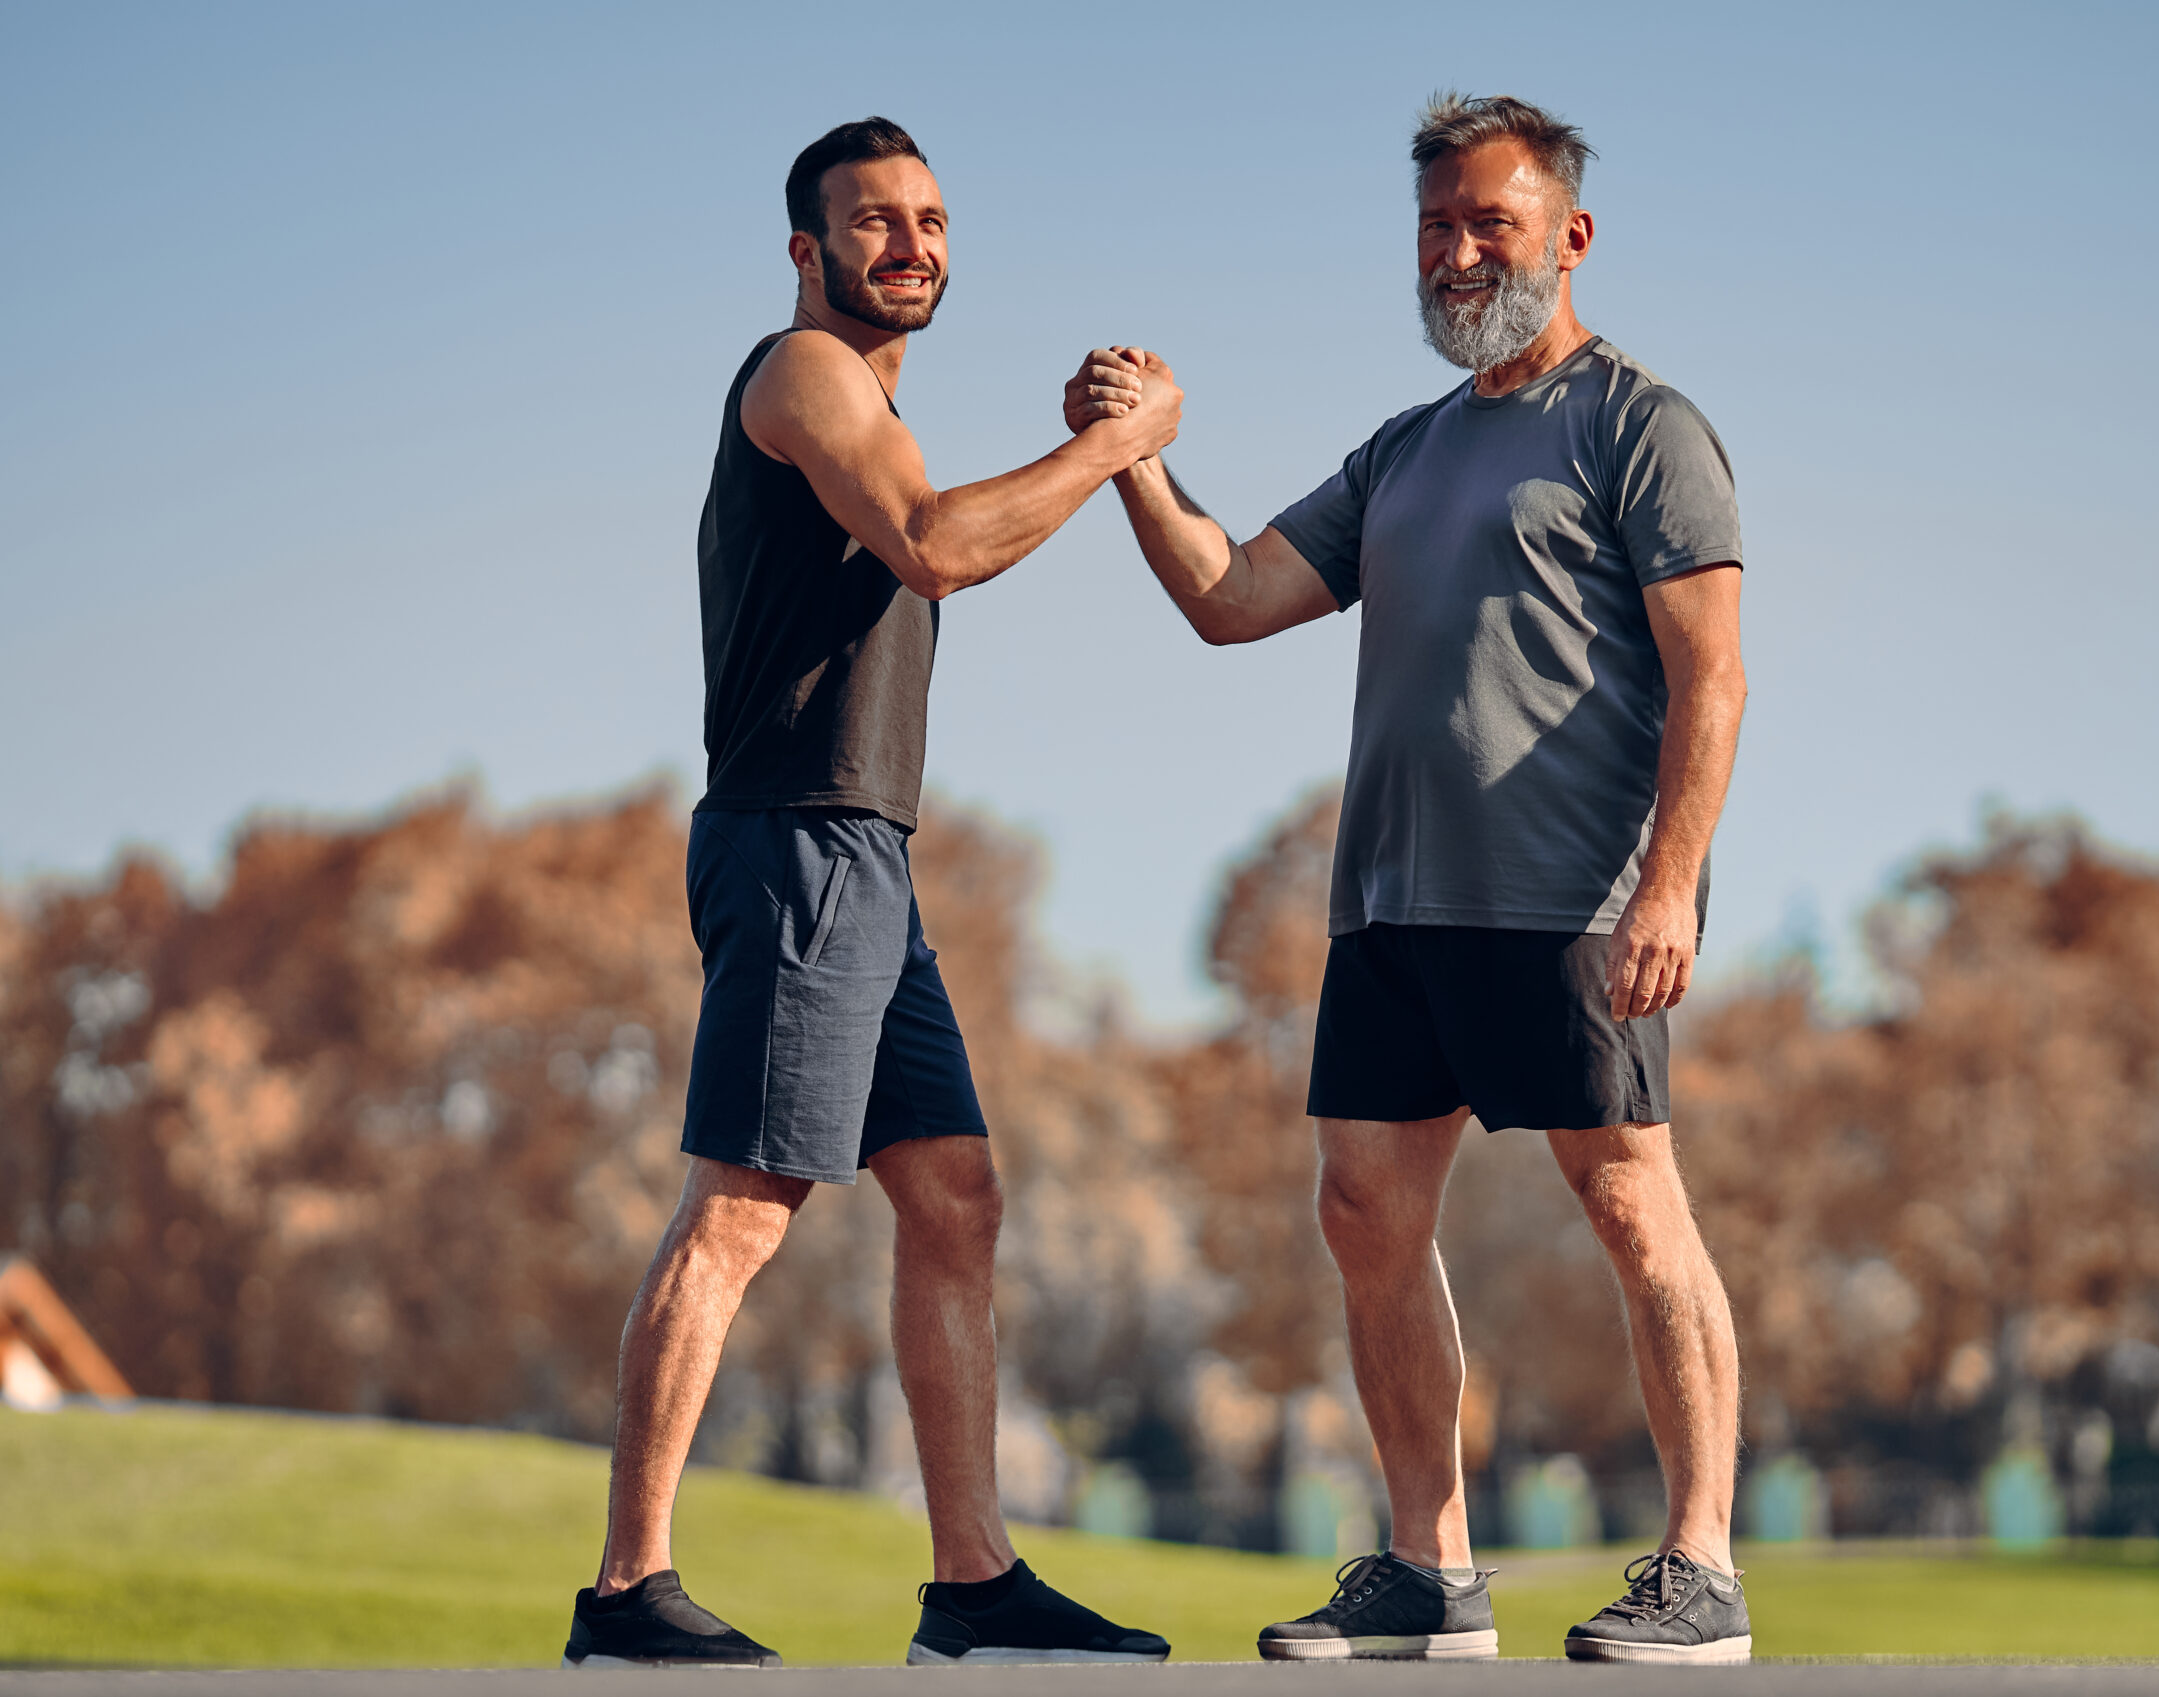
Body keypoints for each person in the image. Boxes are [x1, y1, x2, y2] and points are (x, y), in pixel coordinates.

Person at [1068, 92, 1751, 1665]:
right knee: (1365, 1208)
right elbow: (1231, 598)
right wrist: (1131, 460)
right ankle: (1429, 1571)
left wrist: (1669, 885)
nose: (1455, 254)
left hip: (1573, 900)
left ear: (1567, 236)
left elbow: (1710, 675)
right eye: (1436, 227)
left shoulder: (1642, 425)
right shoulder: (1405, 450)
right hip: (1391, 903)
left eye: (1487, 225)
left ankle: (1701, 1566)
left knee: (1634, 1200)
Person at [562, 116, 1180, 1670]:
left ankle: (971, 1587)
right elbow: (933, 544)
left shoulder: (874, 401)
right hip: (795, 840)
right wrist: (1116, 445)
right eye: (875, 221)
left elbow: (933, 519)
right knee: (744, 1207)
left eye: (933, 220)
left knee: (956, 1194)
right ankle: (627, 1592)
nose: (911, 244)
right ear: (805, 247)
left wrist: (1090, 451)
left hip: (866, 858)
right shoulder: (804, 375)